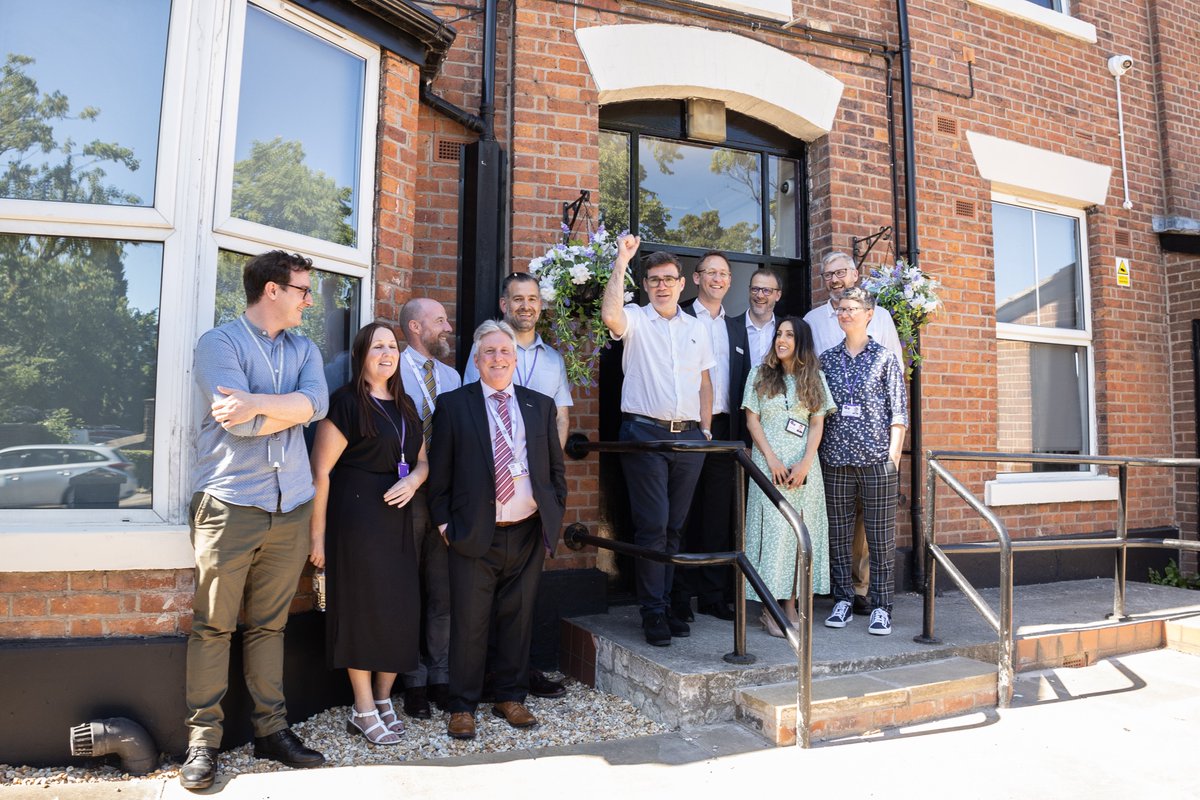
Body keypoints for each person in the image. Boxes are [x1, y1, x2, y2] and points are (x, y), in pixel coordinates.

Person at [181, 251, 329, 790]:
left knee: (271, 624)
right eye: (302, 290)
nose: (308, 300)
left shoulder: (306, 348)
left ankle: (271, 731)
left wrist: (262, 404)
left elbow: (318, 402)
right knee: (214, 625)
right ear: (271, 290)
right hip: (229, 504)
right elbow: (234, 424)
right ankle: (203, 743)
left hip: (290, 506)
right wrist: (287, 408)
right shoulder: (218, 344)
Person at [428, 321, 568, 741]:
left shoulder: (539, 405)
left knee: (518, 617)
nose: (498, 358)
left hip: (526, 531)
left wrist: (553, 513)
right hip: (474, 533)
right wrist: (445, 525)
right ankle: (462, 705)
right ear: (476, 359)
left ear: (515, 357)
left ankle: (510, 697)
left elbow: (554, 471)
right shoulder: (454, 405)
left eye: (505, 351)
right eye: (489, 352)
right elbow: (439, 476)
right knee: (469, 623)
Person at [308, 322, 426, 745]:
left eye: (392, 346)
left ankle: (383, 698)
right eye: (377, 346)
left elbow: (423, 461)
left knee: (399, 609)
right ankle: (361, 708)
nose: (386, 353)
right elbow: (320, 473)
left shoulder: (406, 405)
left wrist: (413, 481)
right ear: (362, 355)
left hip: (397, 523)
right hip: (355, 521)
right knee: (361, 610)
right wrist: (317, 539)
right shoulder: (344, 404)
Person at [600, 235, 714, 647]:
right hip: (644, 433)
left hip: (688, 439)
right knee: (652, 526)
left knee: (675, 526)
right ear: (645, 285)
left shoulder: (698, 328)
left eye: (668, 278)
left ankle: (665, 604)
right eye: (654, 280)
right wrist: (621, 260)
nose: (662, 285)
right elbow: (609, 313)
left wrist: (705, 428)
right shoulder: (635, 319)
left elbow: (704, 381)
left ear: (683, 283)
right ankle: (652, 612)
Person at [464, 271, 572, 699]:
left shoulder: (553, 361)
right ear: (504, 305)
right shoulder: (486, 351)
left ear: (539, 306)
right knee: (483, 598)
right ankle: (484, 680)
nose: (526, 306)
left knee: (524, 598)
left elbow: (560, 416)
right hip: (489, 498)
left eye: (533, 299)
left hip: (530, 496)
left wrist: (548, 476)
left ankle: (521, 673)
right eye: (517, 299)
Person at [803, 251, 904, 616]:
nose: (834, 278)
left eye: (840, 272)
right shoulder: (816, 327)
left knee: (877, 532)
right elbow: (809, 384)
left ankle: (875, 598)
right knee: (839, 529)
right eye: (827, 274)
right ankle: (844, 596)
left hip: (875, 451)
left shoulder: (884, 337)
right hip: (835, 449)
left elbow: (897, 399)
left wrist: (893, 455)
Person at [741, 319, 835, 636]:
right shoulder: (759, 374)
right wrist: (770, 458)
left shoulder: (815, 378)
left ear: (801, 341)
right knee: (772, 537)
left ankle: (791, 604)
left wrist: (806, 463)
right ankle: (769, 607)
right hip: (769, 466)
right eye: (778, 334)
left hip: (804, 471)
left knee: (798, 537)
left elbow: (817, 424)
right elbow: (752, 421)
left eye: (789, 335)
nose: (781, 339)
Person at [674, 251, 750, 623]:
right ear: (697, 277)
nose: (717, 279)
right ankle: (678, 594)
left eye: (724, 274)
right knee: (682, 511)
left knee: (719, 513)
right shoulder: (679, 313)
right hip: (686, 423)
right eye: (711, 273)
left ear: (729, 282)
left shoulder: (736, 327)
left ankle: (712, 595)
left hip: (724, 429)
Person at [396, 298, 461, 718]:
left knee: (443, 590)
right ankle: (413, 680)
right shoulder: (390, 367)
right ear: (416, 327)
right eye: (440, 321)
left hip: (446, 495)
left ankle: (441, 675)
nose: (448, 327)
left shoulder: (453, 376)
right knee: (409, 591)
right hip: (405, 495)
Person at [736, 267, 782, 370]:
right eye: (755, 289)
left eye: (767, 291)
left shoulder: (787, 329)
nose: (759, 295)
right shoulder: (731, 327)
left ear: (778, 295)